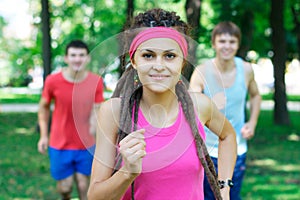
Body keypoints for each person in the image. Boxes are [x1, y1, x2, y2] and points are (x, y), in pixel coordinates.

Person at [88, 8, 237, 200]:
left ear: (182, 61)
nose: (159, 65)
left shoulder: (199, 106)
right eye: (148, 55)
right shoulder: (114, 112)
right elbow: (95, 196)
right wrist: (128, 172)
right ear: (133, 60)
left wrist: (224, 187)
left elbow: (228, 135)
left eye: (170, 56)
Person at [189, 21, 261, 200]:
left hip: (236, 148)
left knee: (232, 196)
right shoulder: (202, 71)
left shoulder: (246, 70)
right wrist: (211, 104)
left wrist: (251, 123)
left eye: (232, 42)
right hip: (206, 150)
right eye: (222, 41)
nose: (227, 46)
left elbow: (256, 96)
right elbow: (191, 107)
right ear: (214, 43)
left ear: (238, 44)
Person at [37, 40, 104, 200]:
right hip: (59, 143)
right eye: (73, 55)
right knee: (65, 187)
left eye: (81, 55)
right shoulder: (53, 81)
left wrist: (94, 128)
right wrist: (44, 136)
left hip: (85, 143)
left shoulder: (96, 81)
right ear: (66, 58)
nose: (77, 59)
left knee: (83, 186)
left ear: (87, 58)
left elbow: (98, 108)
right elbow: (43, 107)